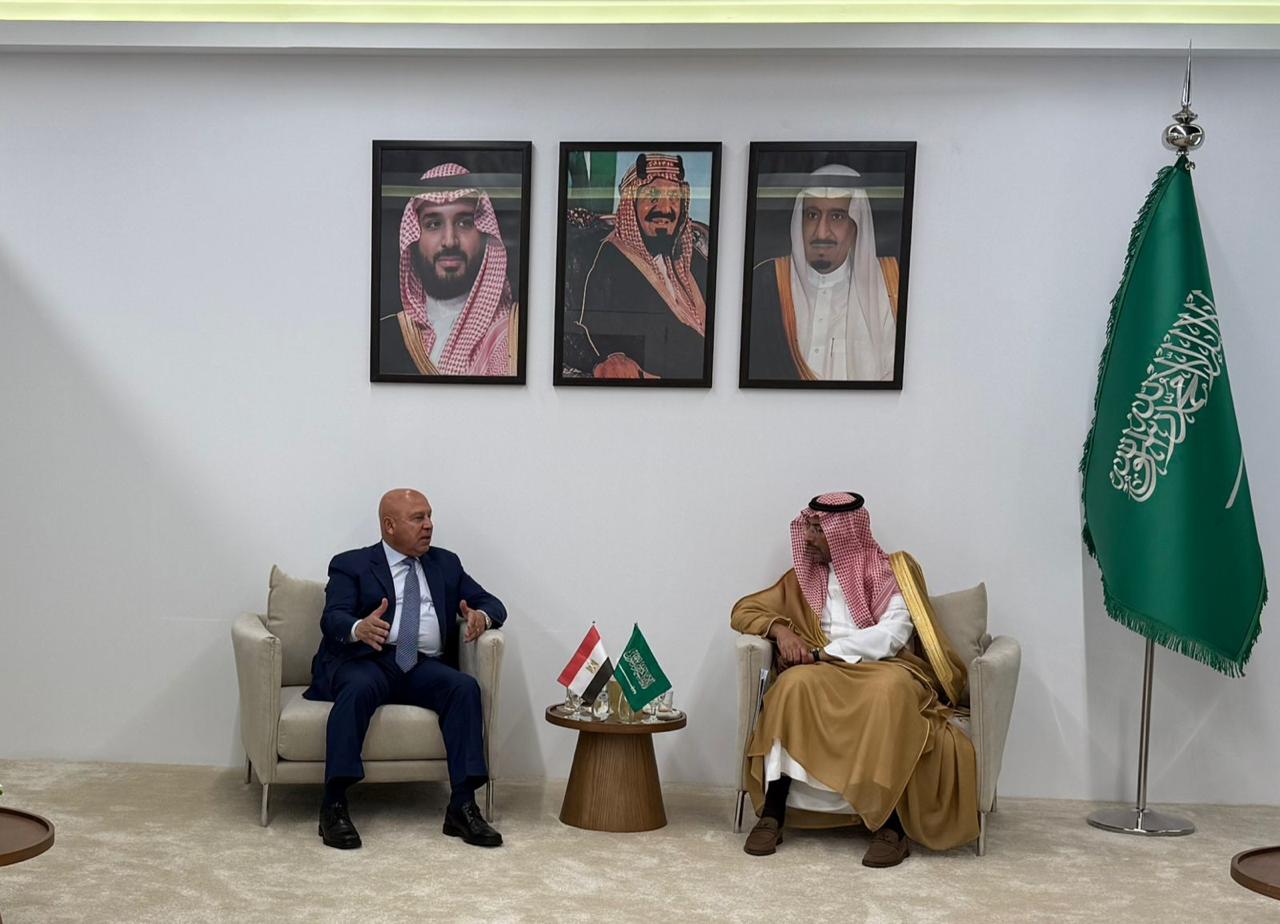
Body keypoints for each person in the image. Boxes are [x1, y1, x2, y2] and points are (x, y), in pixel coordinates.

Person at [730, 492, 977, 867]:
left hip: (884, 667)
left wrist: (824, 653)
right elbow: (742, 610)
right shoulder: (802, 580)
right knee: (790, 687)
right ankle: (773, 813)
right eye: (808, 528)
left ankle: (891, 827)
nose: (808, 537)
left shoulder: (891, 572)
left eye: (818, 529)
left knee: (888, 693)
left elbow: (893, 634)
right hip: (821, 671)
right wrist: (781, 630)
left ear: (842, 533)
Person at [304, 489, 507, 850]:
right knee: (357, 690)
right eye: (418, 518)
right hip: (368, 659)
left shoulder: (445, 563)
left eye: (429, 516)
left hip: (419, 664)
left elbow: (493, 603)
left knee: (464, 688)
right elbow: (333, 617)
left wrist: (482, 616)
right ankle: (333, 805)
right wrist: (358, 628)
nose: (429, 525)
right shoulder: (352, 564)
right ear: (389, 525)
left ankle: (462, 806)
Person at [748, 165, 898, 382]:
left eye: (836, 217)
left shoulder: (888, 289)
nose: (821, 232)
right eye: (812, 215)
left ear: (856, 225)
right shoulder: (765, 284)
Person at [572, 153, 709, 379]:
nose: (665, 208)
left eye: (674, 197)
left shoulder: (697, 261)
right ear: (631, 205)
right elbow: (587, 329)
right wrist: (612, 357)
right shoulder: (607, 260)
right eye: (652, 196)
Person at [379, 163, 519, 376]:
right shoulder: (387, 334)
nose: (450, 241)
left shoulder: (510, 336)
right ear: (414, 237)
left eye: (464, 223)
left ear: (484, 234)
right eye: (433, 224)